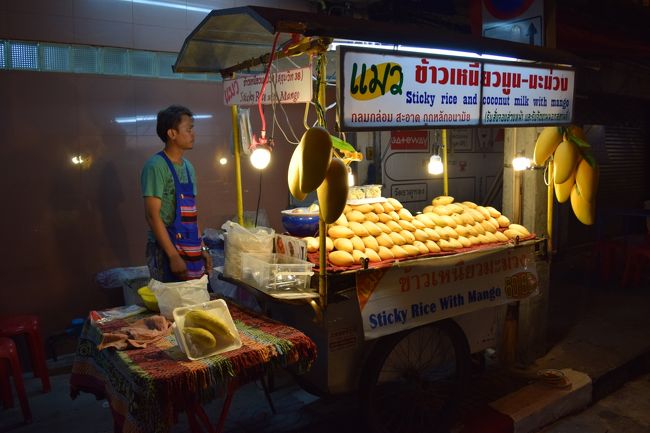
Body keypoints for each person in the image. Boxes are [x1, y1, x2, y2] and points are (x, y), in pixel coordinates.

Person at [141, 105, 211, 282]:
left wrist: (202, 249)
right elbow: (152, 215)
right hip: (164, 250)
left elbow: (192, 215)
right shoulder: (155, 166)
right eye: (188, 129)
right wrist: (172, 256)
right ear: (172, 134)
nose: (193, 134)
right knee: (169, 305)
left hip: (190, 247)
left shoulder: (188, 167)